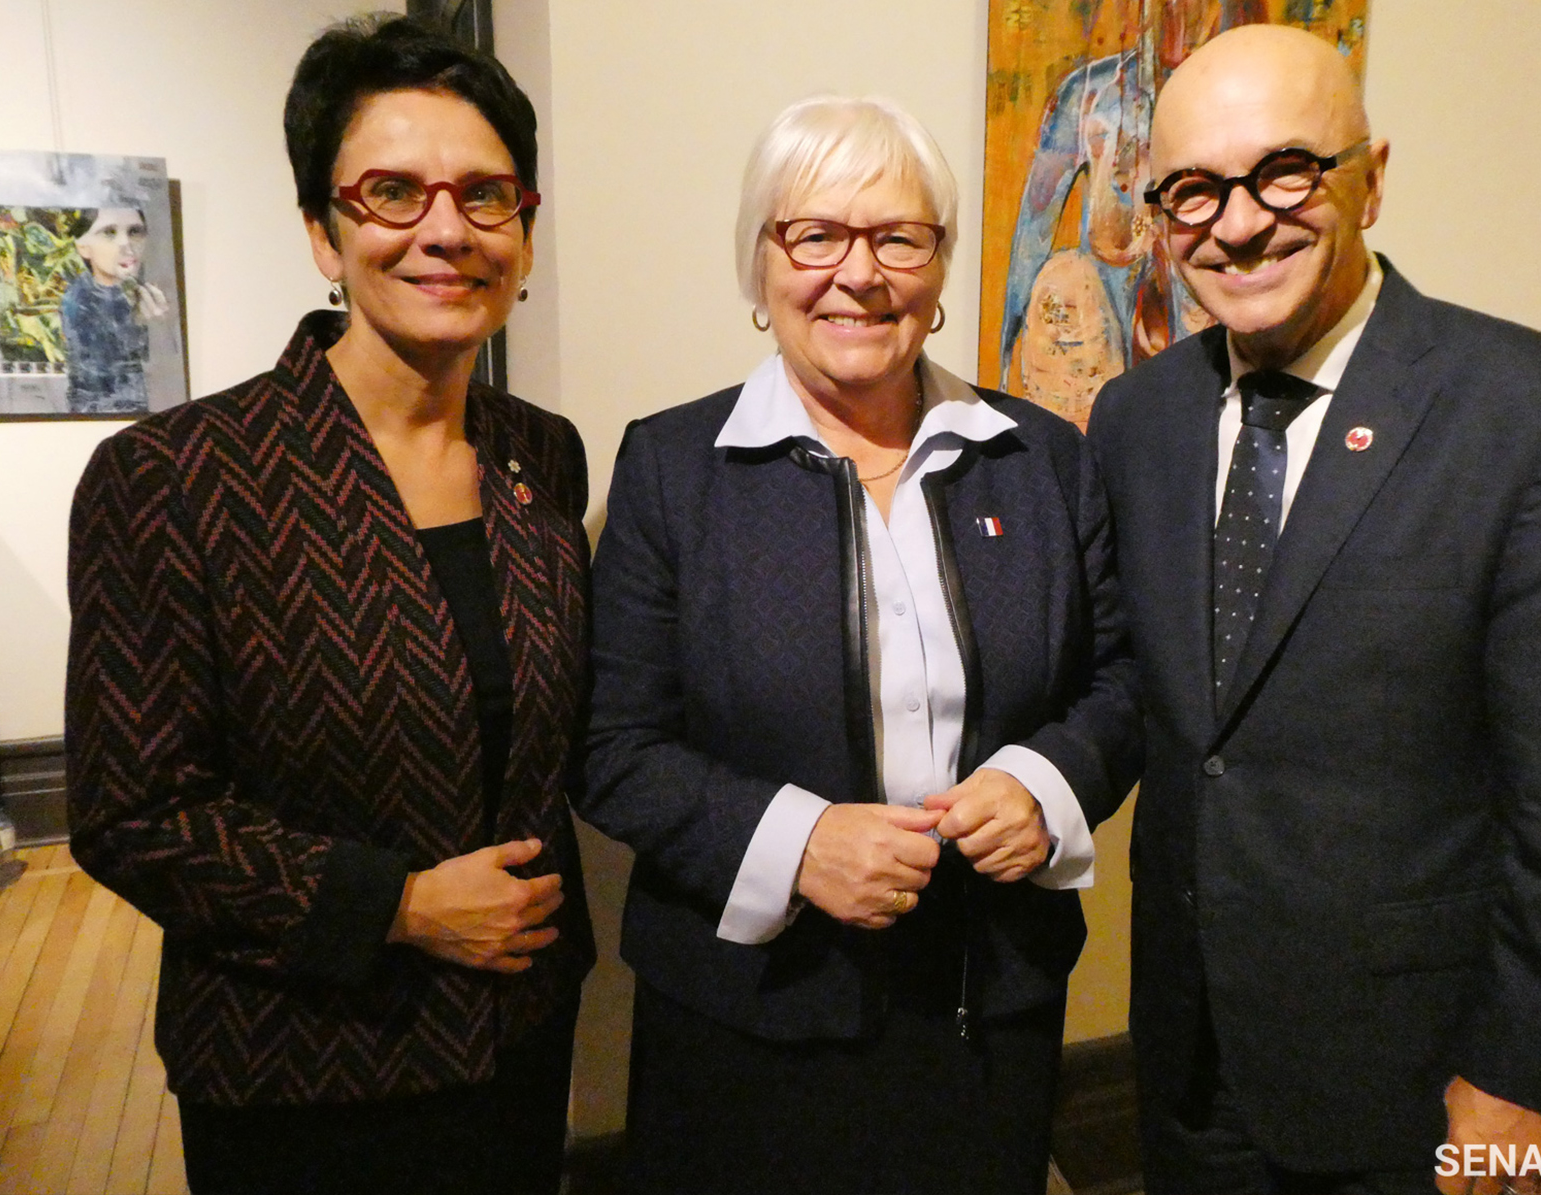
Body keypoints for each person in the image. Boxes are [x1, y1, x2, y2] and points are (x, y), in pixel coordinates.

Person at [1087, 23, 1541, 1195]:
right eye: (1193, 190)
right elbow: (1149, 704)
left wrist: (1527, 1070)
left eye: (1284, 170)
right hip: (1188, 1052)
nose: (1238, 222)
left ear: (1372, 175)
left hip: (1420, 1078)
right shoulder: (1135, 418)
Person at [65, 16, 591, 1194]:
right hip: (307, 1063)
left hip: (517, 1040)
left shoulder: (541, 454)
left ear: (525, 226)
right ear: (323, 230)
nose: (445, 231)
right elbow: (131, 810)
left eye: (484, 195)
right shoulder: (176, 478)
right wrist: (396, 905)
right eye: (393, 193)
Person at [579, 95, 1141, 1195]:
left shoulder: (1039, 458)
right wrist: (796, 842)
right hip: (747, 1004)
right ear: (761, 262)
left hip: (988, 999)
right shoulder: (673, 468)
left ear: (935, 274)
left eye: (898, 237)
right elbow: (610, 741)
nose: (858, 273)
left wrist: (1044, 780)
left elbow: (1120, 679)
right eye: (815, 234)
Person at [60, 207, 168, 414]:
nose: (126, 244)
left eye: (135, 232)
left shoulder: (150, 292)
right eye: (109, 233)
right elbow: (97, 381)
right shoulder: (79, 299)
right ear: (83, 247)